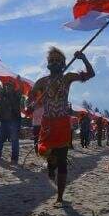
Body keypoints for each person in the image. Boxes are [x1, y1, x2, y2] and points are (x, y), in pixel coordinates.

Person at [28, 47, 94, 204]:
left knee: (62, 159)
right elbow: (30, 99)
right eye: (52, 60)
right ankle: (51, 167)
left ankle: (59, 197)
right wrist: (31, 105)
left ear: (64, 64)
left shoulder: (68, 78)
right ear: (48, 64)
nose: (54, 62)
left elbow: (90, 74)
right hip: (48, 123)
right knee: (47, 155)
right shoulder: (42, 82)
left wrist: (83, 58)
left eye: (58, 60)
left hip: (63, 123)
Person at [0, 76, 23, 164]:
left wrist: (19, 81)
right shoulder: (2, 95)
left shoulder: (16, 95)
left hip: (14, 121)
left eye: (10, 86)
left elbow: (21, 89)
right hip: (4, 121)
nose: (7, 87)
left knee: (14, 141)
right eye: (6, 86)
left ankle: (14, 159)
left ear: (13, 87)